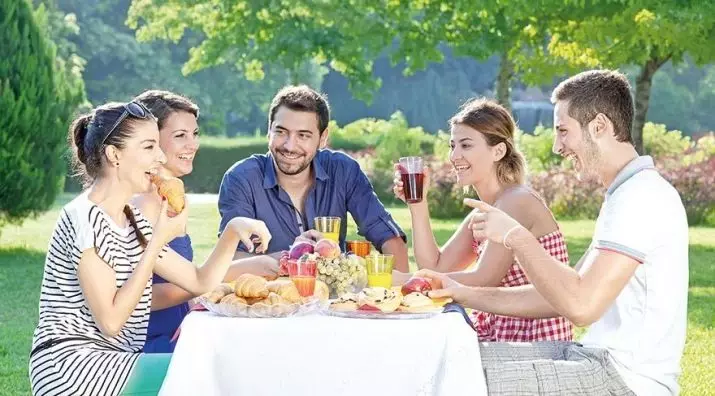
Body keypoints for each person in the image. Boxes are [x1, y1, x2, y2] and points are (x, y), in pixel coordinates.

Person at [419, 69, 688, 396]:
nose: (558, 146)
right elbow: (562, 295)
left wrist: (516, 237)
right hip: (596, 355)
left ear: (599, 126)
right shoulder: (625, 194)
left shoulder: (640, 197)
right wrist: (458, 291)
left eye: (563, 131)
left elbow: (581, 306)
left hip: (627, 380)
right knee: (442, 361)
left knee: (454, 382)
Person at [29, 101, 271, 396]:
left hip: (115, 361)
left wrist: (233, 231)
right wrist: (157, 239)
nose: (159, 157)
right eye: (148, 147)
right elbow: (112, 321)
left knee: (215, 368)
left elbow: (199, 281)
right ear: (114, 154)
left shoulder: (132, 221)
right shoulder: (83, 217)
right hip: (71, 365)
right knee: (205, 375)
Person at [393, 98, 572, 342]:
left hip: (534, 341)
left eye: (466, 145)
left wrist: (405, 281)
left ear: (498, 151)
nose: (454, 155)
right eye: (452, 145)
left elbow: (484, 279)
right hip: (502, 336)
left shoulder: (517, 201)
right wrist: (418, 205)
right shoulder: (483, 213)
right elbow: (436, 266)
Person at [130, 90, 278, 354]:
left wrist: (252, 268)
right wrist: (226, 274)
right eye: (180, 136)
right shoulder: (142, 203)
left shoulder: (172, 196)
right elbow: (141, 298)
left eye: (195, 134)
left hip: (182, 329)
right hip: (150, 344)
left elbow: (186, 277)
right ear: (149, 140)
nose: (193, 145)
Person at [217, 85, 410, 271]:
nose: (290, 146)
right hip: (269, 301)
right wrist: (293, 258)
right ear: (269, 130)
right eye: (281, 132)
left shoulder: (343, 171)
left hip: (333, 301)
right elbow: (229, 262)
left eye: (303, 135)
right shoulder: (241, 178)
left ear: (323, 138)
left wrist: (395, 296)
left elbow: (390, 239)